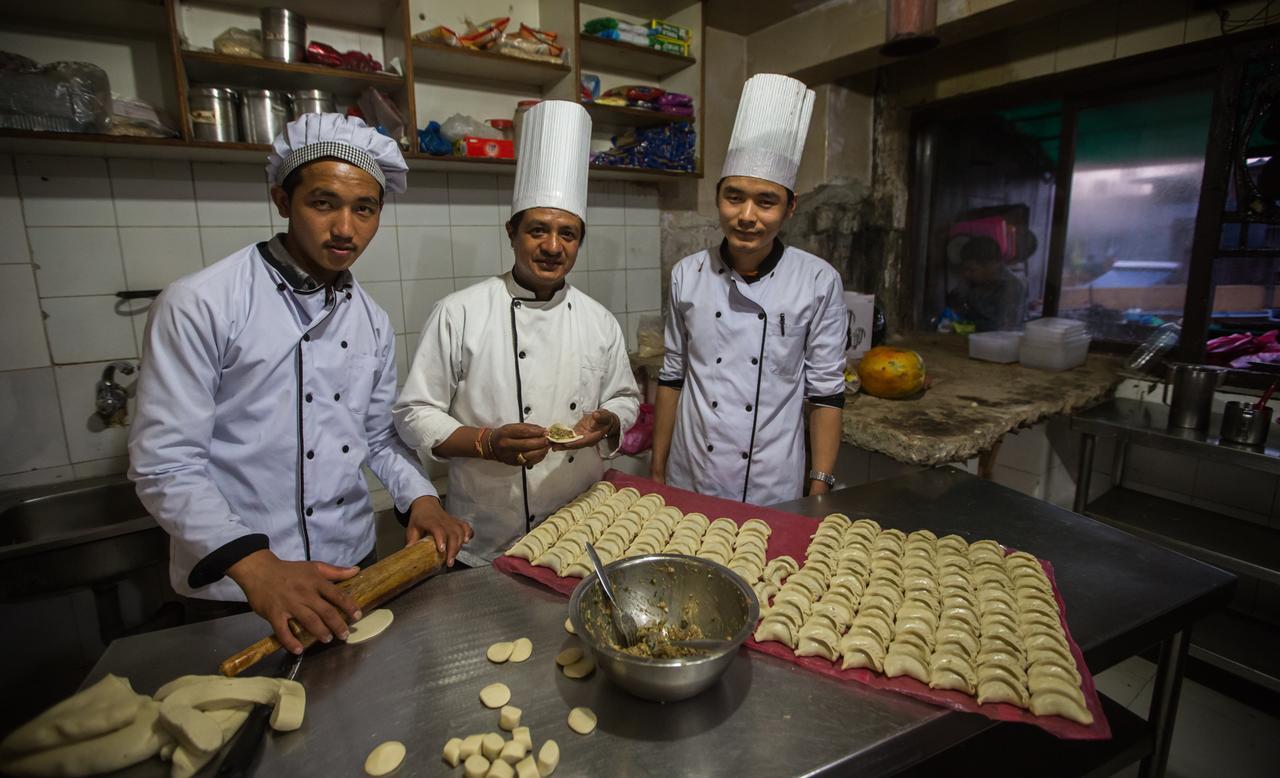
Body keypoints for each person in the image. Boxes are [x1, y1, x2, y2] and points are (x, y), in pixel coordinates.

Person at [128, 114, 472, 654]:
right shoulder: (201, 304)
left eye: (365, 209)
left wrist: (422, 500)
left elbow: (378, 437)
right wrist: (259, 568)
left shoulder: (371, 320)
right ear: (282, 200)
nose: (345, 228)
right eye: (323, 202)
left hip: (348, 569)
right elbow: (166, 464)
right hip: (239, 584)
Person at [393, 101, 640, 566]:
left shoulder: (598, 320)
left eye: (568, 234)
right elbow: (413, 413)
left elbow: (626, 397)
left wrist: (610, 420)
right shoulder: (459, 313)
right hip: (487, 534)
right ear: (511, 232)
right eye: (538, 231)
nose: (552, 246)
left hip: (581, 530)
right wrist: (486, 443)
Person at [651, 74, 848, 505]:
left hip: (771, 483)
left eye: (766, 201)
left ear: (790, 206)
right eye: (734, 197)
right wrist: (657, 471)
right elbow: (671, 378)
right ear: (717, 197)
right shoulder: (687, 274)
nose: (746, 215)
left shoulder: (817, 281)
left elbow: (827, 393)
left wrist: (819, 489)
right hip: (691, 474)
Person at [947, 236, 1027, 331]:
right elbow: (956, 302)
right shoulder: (970, 281)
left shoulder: (1012, 287)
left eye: (971, 270)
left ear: (992, 266)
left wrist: (966, 327)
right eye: (964, 269)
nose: (966, 274)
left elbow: (1004, 327)